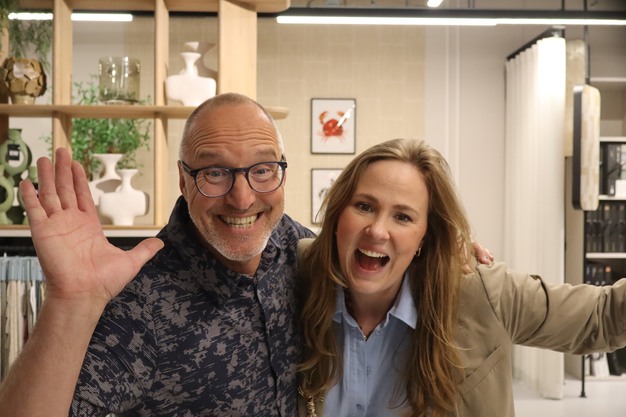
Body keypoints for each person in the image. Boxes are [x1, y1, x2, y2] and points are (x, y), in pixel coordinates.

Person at [0, 94, 492, 417]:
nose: (242, 198)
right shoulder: (140, 300)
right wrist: (68, 301)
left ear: (281, 172)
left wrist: (440, 254)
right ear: (183, 179)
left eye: (262, 170)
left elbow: (376, 257)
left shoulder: (304, 252)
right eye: (215, 173)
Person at [296, 138, 626, 417]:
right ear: (338, 215)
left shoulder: (479, 291)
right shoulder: (296, 273)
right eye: (364, 206)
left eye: (403, 217)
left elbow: (602, 316)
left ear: (425, 236)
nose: (378, 231)